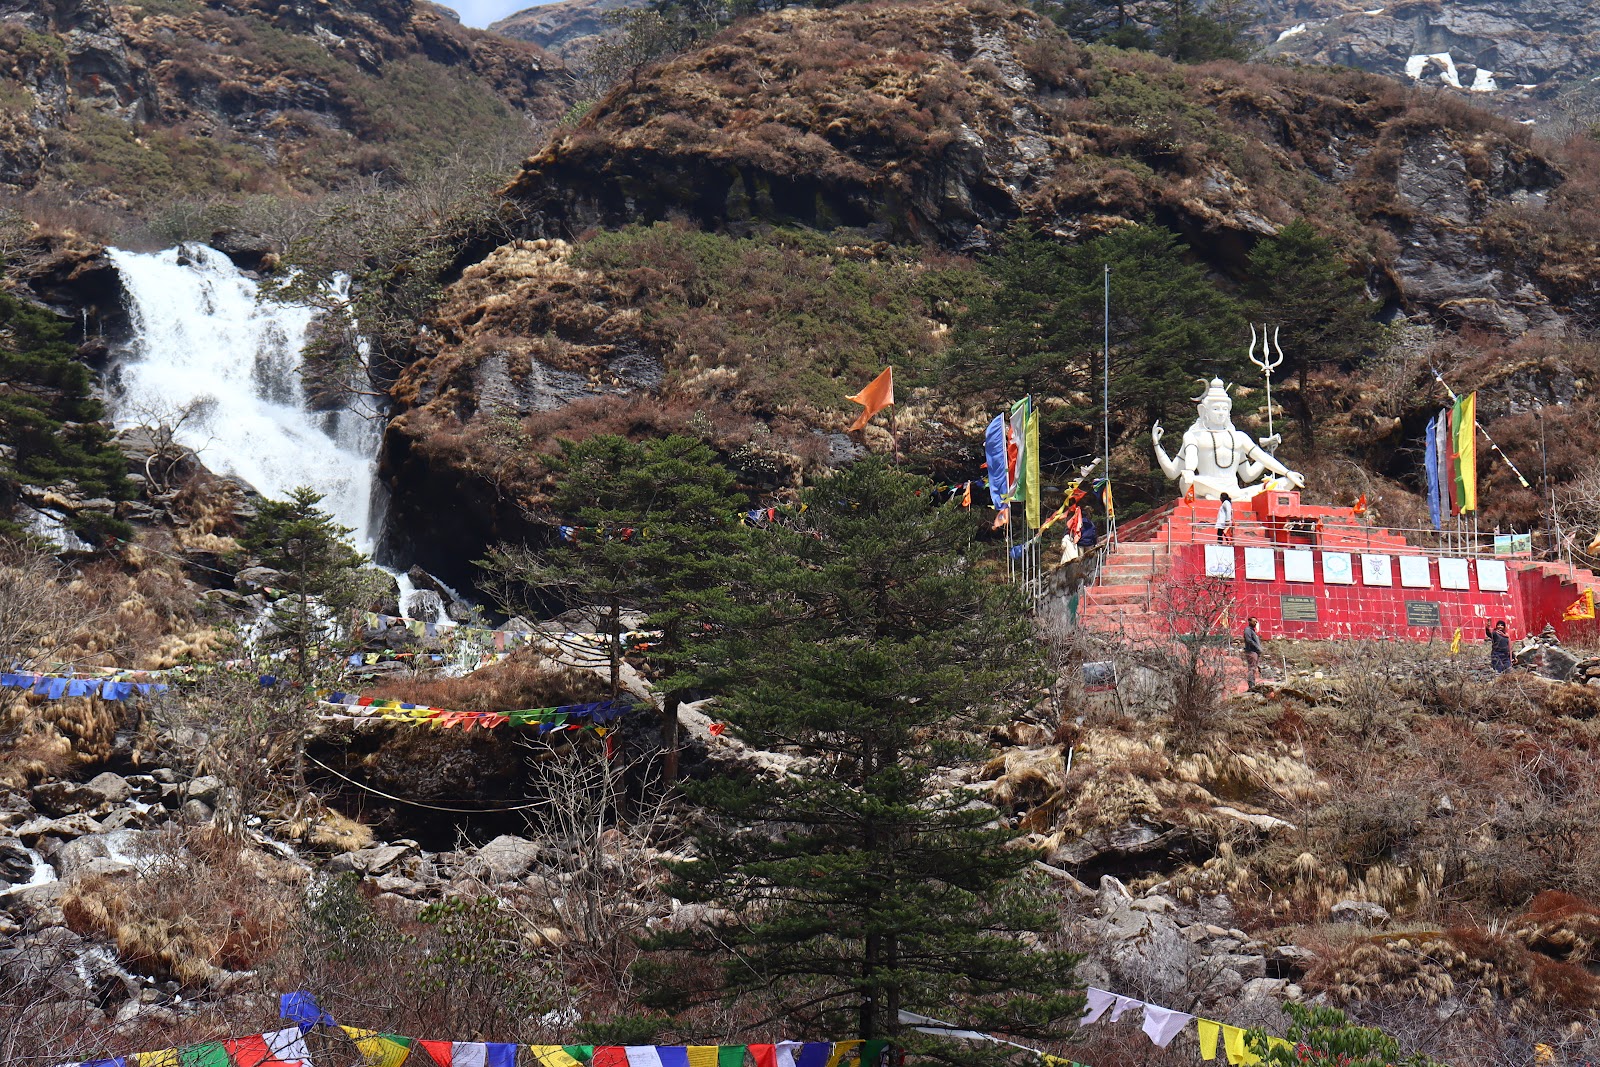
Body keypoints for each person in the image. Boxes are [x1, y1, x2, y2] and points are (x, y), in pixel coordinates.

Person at [1242, 616, 1262, 688]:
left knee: (1254, 668)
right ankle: (1251, 684)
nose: (1255, 623)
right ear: (1249, 621)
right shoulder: (1248, 630)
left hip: (1255, 652)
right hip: (1251, 651)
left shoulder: (1253, 631)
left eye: (1256, 622)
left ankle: (1253, 683)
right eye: (1254, 621)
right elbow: (1249, 640)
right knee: (1252, 668)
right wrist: (1257, 647)